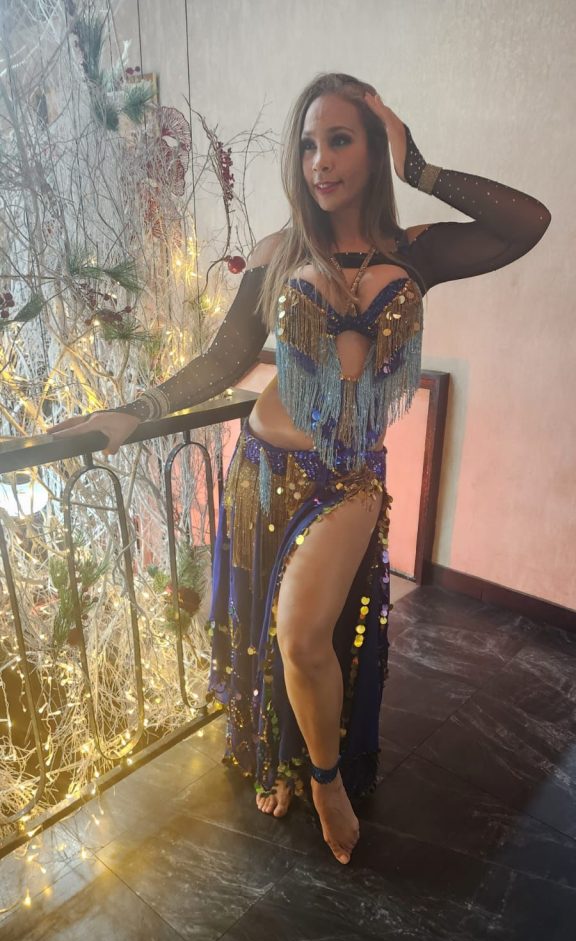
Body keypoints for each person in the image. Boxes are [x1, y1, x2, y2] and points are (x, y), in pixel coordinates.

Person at [47, 72, 551, 865]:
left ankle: (324, 781)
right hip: (261, 469)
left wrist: (422, 168)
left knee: (304, 633)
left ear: (374, 149)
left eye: (341, 140)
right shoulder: (280, 255)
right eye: (309, 144)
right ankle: (281, 760)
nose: (321, 160)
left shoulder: (417, 252)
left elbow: (527, 222)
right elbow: (224, 360)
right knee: (273, 636)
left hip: (347, 480)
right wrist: (134, 412)